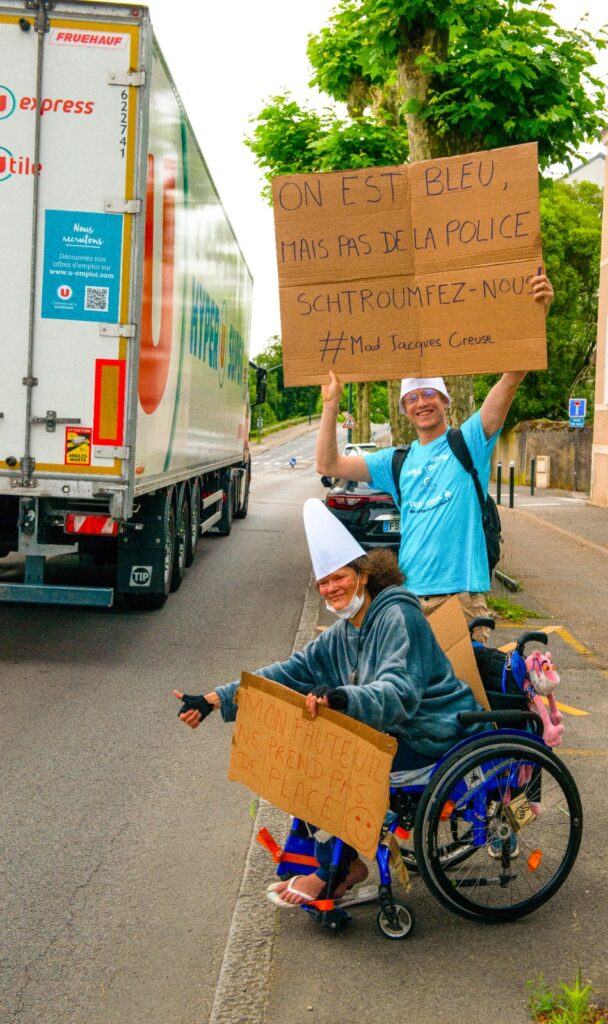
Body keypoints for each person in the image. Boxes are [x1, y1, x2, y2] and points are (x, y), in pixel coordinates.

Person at [174, 498, 482, 908]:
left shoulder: (397, 618)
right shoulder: (345, 631)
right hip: (398, 731)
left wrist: (340, 697)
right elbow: (290, 671)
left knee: (332, 763)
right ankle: (335, 864)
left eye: (339, 578)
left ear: (364, 575)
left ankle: (334, 869)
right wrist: (216, 698)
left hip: (433, 732)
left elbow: (399, 695)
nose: (332, 589)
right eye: (324, 583)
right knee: (307, 751)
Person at [315, 272, 554, 640]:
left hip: (461, 600)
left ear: (445, 400)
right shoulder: (395, 461)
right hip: (408, 600)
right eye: (412, 398)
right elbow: (328, 465)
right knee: (410, 697)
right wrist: (330, 405)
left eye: (429, 394)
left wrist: (535, 315)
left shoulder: (469, 441)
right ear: (405, 410)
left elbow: (511, 376)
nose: (421, 403)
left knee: (459, 697)